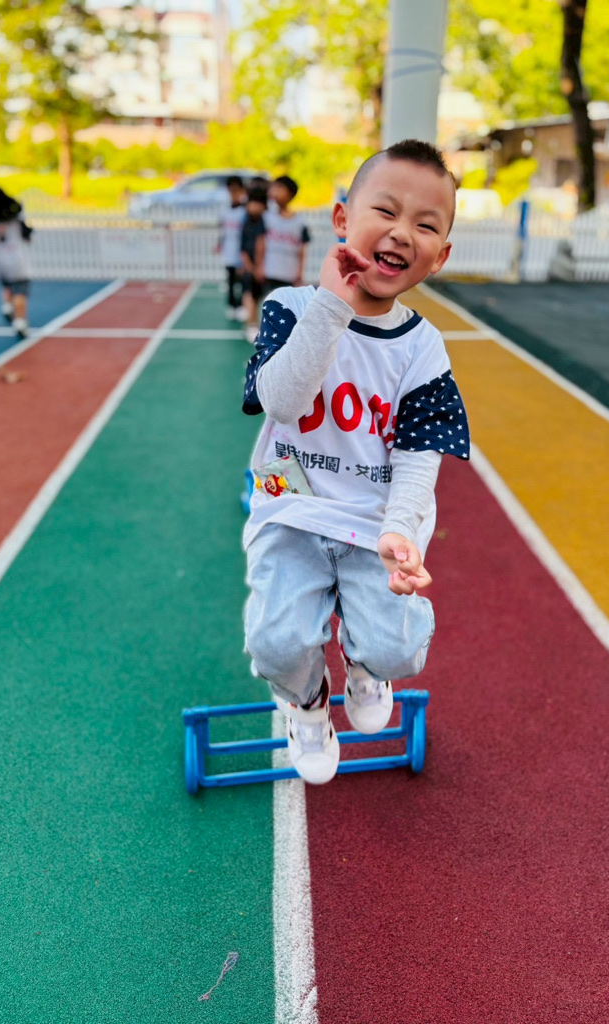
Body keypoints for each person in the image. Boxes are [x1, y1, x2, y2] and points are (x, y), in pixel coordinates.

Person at [241, 139, 468, 784]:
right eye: (386, 212)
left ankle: (367, 665)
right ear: (343, 219)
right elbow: (282, 402)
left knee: (399, 649)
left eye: (425, 224)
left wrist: (400, 528)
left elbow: (419, 452)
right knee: (276, 644)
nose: (402, 233)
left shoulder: (423, 348)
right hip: (293, 508)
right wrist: (331, 306)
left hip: (374, 523)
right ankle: (308, 701)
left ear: (440, 255)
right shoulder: (291, 308)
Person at [0, 183, 33, 339]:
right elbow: (27, 234)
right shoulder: (15, 220)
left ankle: (7, 306)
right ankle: (20, 321)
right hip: (16, 259)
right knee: (20, 290)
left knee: (7, 284)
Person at [262, 175, 311, 296]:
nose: (275, 192)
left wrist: (300, 272)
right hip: (270, 271)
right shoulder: (266, 217)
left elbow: (302, 249)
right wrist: (259, 266)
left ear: (290, 193)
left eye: (280, 188)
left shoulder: (300, 222)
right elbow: (260, 243)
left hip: (289, 273)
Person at [239, 187, 268, 344]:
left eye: (258, 203)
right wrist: (250, 266)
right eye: (252, 203)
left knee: (258, 296)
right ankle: (251, 325)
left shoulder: (266, 221)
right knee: (249, 294)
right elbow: (243, 248)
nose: (254, 207)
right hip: (251, 266)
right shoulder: (246, 222)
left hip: (263, 266)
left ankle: (256, 323)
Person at [218, 175, 248, 321]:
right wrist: (219, 244)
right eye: (231, 190)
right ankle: (232, 305)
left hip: (241, 253)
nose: (233, 193)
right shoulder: (225, 210)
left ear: (242, 191)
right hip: (229, 252)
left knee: (242, 281)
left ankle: (241, 305)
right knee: (230, 281)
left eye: (236, 190)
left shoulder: (245, 211)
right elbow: (223, 230)